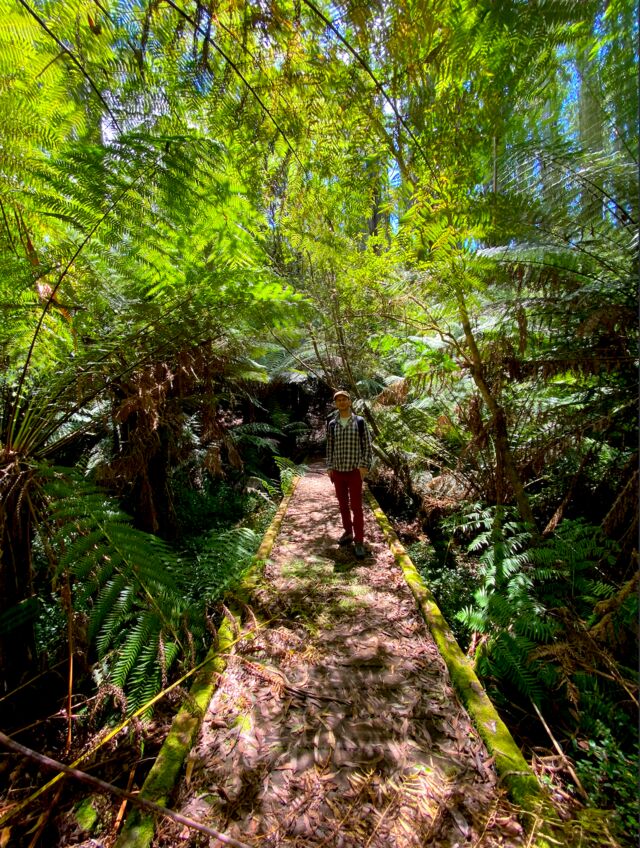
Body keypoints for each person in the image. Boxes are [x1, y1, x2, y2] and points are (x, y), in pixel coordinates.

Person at [325, 389, 373, 559]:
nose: (342, 402)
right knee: (343, 505)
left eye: (344, 399)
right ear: (335, 404)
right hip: (338, 471)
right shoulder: (331, 424)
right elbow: (329, 447)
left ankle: (359, 540)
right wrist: (329, 467)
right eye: (338, 400)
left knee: (357, 507)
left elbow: (367, 446)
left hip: (354, 471)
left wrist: (364, 467)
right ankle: (348, 532)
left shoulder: (359, 422)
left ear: (350, 402)